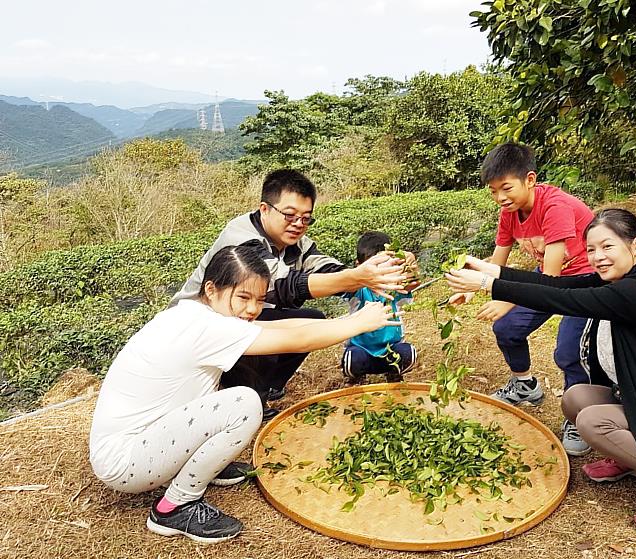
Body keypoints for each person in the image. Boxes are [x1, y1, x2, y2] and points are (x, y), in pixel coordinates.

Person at [445, 208, 636, 536]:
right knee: (575, 398)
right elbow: (557, 285)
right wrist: (493, 270)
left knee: (590, 422)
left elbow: (560, 300)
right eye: (591, 249)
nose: (598, 257)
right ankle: (631, 459)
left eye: (607, 247)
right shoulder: (625, 278)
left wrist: (488, 284)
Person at [90, 244, 400, 543]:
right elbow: (296, 339)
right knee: (245, 403)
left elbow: (282, 329)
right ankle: (174, 508)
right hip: (125, 463)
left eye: (259, 299)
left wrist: (347, 321)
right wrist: (357, 324)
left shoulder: (193, 315)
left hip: (141, 443)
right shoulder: (207, 329)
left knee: (224, 397)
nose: (252, 309)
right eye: (243, 297)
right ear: (211, 289)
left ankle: (202, 465)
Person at [170, 169, 411, 416]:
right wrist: (356, 278)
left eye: (306, 218)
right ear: (265, 209)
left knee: (312, 320)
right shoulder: (241, 237)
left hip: (244, 317)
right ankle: (246, 398)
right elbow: (283, 285)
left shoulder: (294, 242)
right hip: (203, 328)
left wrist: (381, 271)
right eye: (289, 215)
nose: (298, 224)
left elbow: (326, 269)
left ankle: (264, 388)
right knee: (268, 328)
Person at [449, 142, 594, 456]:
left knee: (569, 352)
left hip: (585, 283)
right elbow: (498, 262)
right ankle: (525, 386)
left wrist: (506, 297)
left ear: (530, 180)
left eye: (506, 188)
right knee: (507, 328)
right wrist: (468, 285)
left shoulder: (554, 206)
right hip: (546, 278)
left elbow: (551, 282)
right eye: (493, 191)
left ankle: (579, 416)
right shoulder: (510, 212)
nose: (500, 198)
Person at [341, 231, 417, 381]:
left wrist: (411, 264)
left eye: (384, 265)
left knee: (409, 354)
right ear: (360, 266)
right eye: (373, 266)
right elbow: (346, 285)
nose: (379, 272)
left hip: (390, 350)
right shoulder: (359, 291)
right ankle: (357, 377)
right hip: (362, 351)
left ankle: (393, 372)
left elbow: (412, 283)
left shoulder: (395, 287)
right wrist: (358, 276)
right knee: (352, 360)